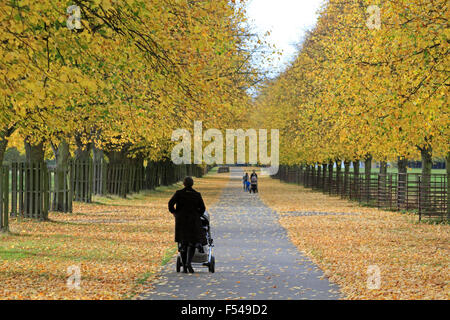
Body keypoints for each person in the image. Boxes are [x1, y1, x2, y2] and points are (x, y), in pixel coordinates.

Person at [168, 176, 206, 273]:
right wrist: (198, 215)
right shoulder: (197, 195)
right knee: (192, 242)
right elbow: (202, 208)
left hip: (181, 221)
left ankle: (184, 266)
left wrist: (175, 213)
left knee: (183, 242)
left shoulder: (179, 193)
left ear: (184, 184)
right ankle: (188, 263)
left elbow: (170, 204)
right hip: (193, 221)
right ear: (192, 184)